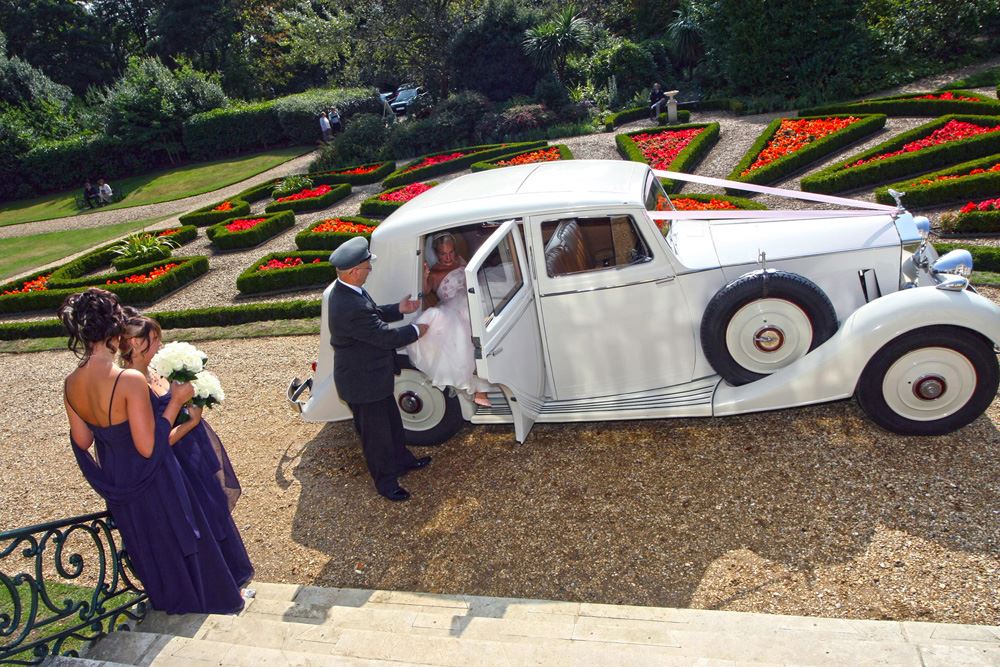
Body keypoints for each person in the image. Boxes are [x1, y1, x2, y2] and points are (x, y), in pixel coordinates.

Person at [61, 288, 244, 615]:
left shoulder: (71, 383)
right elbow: (148, 447)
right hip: (151, 476)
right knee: (176, 534)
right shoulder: (127, 378)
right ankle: (205, 601)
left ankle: (172, 601)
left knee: (149, 542)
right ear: (115, 329)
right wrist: (174, 403)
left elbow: (83, 440)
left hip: (117, 478)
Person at [120, 314, 254, 588]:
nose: (159, 345)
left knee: (213, 511)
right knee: (198, 520)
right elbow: (154, 442)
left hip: (192, 452)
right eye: (154, 339)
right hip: (173, 462)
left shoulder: (156, 372)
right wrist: (190, 422)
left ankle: (230, 575)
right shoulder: (131, 384)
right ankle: (216, 583)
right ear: (135, 342)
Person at [327, 236, 432, 502]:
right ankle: (386, 482)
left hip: (373, 376)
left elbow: (371, 313)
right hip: (363, 382)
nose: (369, 270)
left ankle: (402, 461)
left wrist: (399, 309)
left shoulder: (349, 291)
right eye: (366, 267)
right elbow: (384, 336)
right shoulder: (349, 305)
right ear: (353, 272)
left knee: (392, 425)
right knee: (376, 437)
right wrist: (416, 330)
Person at [409, 233, 492, 407]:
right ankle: (480, 389)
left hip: (472, 298)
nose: (448, 257)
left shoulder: (460, 261)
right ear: (436, 254)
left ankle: (489, 381)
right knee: (467, 333)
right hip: (454, 308)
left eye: (451, 252)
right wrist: (424, 275)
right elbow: (424, 291)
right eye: (443, 254)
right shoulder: (434, 272)